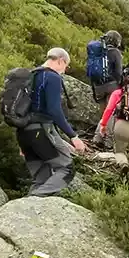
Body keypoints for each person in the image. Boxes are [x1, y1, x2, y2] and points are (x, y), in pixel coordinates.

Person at [17, 47, 86, 196]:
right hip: (41, 131)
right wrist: (73, 137)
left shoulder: (31, 75)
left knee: (41, 177)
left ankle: (27, 208)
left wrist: (22, 144)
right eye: (66, 66)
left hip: (24, 133)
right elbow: (54, 110)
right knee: (67, 168)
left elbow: (22, 109)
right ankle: (35, 198)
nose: (65, 71)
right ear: (61, 61)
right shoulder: (52, 77)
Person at [87, 31, 123, 141]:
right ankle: (105, 140)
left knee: (104, 113)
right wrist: (120, 85)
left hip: (97, 85)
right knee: (111, 112)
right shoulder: (115, 52)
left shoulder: (97, 51)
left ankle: (98, 139)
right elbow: (118, 72)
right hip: (111, 85)